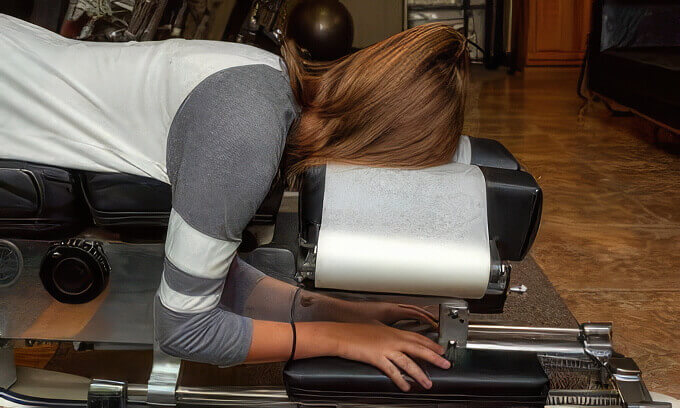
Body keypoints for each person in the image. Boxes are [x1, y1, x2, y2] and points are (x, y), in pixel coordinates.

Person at [0, 14, 469, 392]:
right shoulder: (245, 130)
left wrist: (337, 311)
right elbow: (186, 330)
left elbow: (212, 274)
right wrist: (342, 339)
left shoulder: (261, 77)